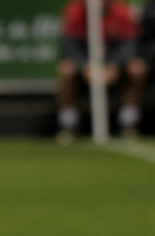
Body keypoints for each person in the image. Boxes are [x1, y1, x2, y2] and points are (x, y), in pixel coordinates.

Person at [56, 0, 147, 144]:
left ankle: (128, 122)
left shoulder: (121, 12)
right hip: (86, 66)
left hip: (114, 66)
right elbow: (69, 44)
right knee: (67, 69)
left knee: (137, 69)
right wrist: (85, 66)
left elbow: (130, 44)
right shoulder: (74, 12)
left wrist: (114, 65)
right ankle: (68, 124)